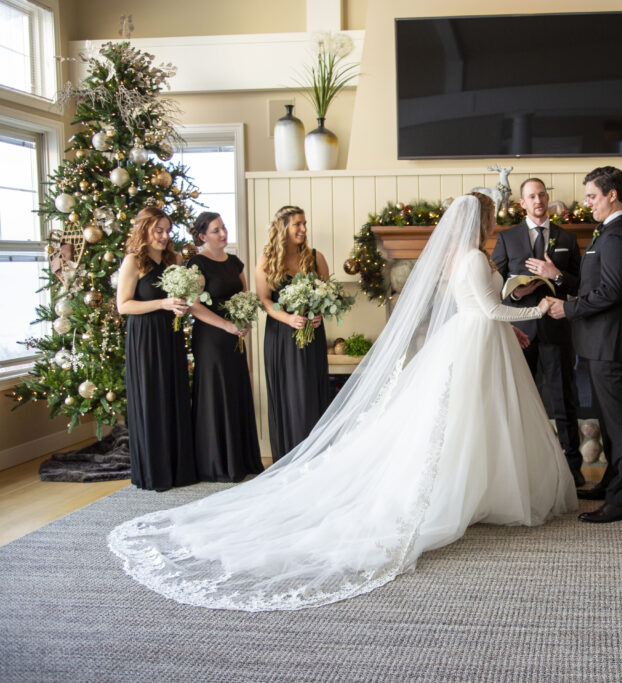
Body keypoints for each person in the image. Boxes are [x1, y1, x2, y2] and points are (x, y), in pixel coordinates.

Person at [108, 194, 577, 611]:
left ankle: (480, 491)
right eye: (494, 217)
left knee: (473, 423)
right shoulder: (474, 257)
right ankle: (466, 494)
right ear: (484, 221)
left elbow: (476, 308)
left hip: (477, 340)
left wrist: (508, 324)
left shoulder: (465, 258)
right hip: (476, 342)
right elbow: (487, 309)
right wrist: (539, 309)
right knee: (466, 423)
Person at [545, 166, 622, 524]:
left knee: (620, 424)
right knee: (609, 421)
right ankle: (613, 484)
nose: (587, 204)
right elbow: (591, 285)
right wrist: (559, 279)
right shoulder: (606, 232)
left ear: (612, 194)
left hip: (609, 343)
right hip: (597, 343)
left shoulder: (617, 235)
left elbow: (611, 292)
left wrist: (567, 309)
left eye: (592, 197)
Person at [491, 178, 585, 487]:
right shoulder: (506, 238)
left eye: (542, 194)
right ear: (522, 203)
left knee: (564, 400)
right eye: (531, 196)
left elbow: (580, 286)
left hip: (557, 329)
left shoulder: (567, 239)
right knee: (520, 400)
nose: (538, 200)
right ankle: (523, 471)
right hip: (521, 332)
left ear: (547, 199)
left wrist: (554, 275)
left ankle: (574, 470)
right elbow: (494, 288)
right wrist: (518, 294)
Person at [115, 207, 197, 491]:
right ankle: (154, 471)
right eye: (158, 230)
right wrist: (162, 303)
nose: (164, 236)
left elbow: (184, 296)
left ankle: (180, 469)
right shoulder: (133, 261)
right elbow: (123, 305)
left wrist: (181, 304)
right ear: (145, 230)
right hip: (145, 338)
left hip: (170, 335)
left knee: (173, 393)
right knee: (152, 396)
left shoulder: (175, 259)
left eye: (167, 230)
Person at [186, 212, 263, 482]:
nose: (223, 234)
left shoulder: (234, 262)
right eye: (216, 230)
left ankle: (241, 459)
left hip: (234, 336)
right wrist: (226, 325)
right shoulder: (197, 264)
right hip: (211, 338)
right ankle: (217, 463)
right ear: (202, 236)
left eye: (224, 228)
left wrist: (243, 322)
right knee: (215, 393)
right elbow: (194, 306)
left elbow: (243, 296)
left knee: (236, 390)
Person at [255, 206, 331, 461]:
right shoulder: (266, 261)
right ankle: (290, 457)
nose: (303, 229)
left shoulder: (315, 257)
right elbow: (265, 301)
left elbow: (327, 293)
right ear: (282, 228)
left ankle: (315, 455)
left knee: (311, 392)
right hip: (281, 338)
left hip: (312, 335)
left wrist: (320, 312)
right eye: (297, 224)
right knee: (290, 395)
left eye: (304, 224)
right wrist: (288, 318)